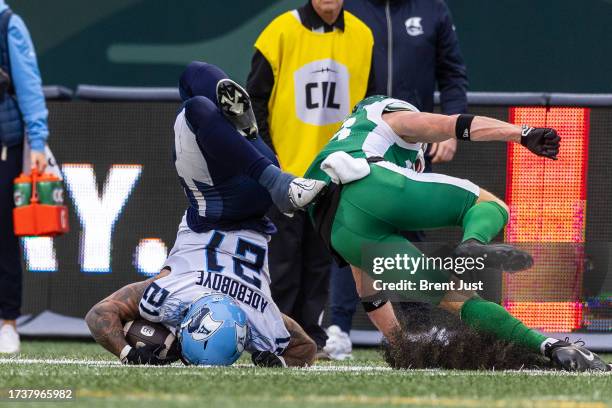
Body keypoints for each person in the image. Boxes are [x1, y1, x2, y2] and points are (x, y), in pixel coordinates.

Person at [304, 95, 610, 371]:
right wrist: (522, 133)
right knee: (489, 205)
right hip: (372, 184)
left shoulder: (343, 143)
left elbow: (368, 291)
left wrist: (400, 346)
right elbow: (455, 125)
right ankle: (473, 242)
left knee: (456, 297)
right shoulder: (390, 117)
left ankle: (548, 346)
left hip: (337, 230)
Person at [86, 62, 325, 366]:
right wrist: (127, 352)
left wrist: (275, 361)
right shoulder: (173, 298)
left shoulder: (256, 317)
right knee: (195, 102)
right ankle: (257, 152)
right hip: (219, 203)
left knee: (197, 82)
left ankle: (250, 143)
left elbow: (304, 349)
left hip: (252, 196)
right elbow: (99, 315)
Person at [324, 0, 470, 359]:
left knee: (408, 237)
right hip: (360, 144)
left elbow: (452, 75)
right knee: (351, 235)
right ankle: (338, 329)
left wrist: (449, 130)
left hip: (411, 142)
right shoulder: (350, 8)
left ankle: (415, 329)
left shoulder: (433, 9)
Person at [246, 0, 374, 355]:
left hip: (336, 174)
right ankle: (275, 333)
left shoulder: (363, 36)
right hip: (286, 172)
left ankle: (311, 338)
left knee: (320, 263)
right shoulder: (279, 32)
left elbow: (371, 105)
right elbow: (254, 100)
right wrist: (268, 158)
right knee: (283, 262)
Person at [0, 0, 48, 354]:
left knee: (3, 234)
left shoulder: (7, 23)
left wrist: (38, 141)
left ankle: (7, 323)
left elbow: (28, 84)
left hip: (5, 144)